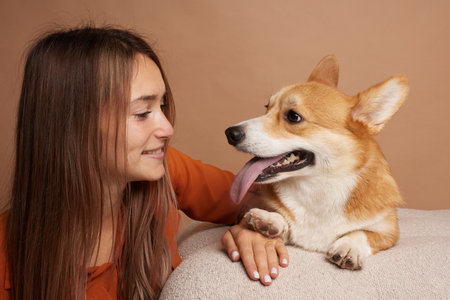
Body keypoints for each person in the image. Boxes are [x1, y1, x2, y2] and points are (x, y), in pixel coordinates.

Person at [0, 26, 289, 299]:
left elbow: (264, 201)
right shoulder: (6, 254)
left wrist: (253, 226)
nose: (167, 128)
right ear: (72, 126)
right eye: (141, 112)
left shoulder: (165, 172)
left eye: (162, 106)